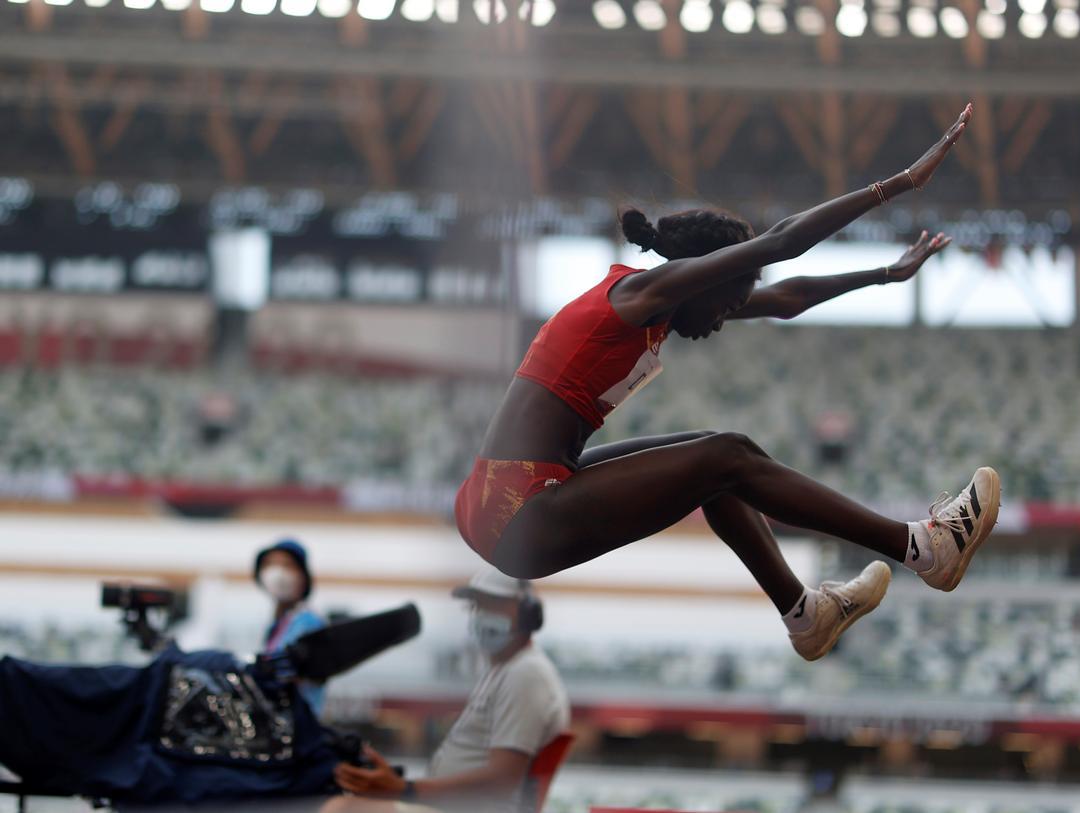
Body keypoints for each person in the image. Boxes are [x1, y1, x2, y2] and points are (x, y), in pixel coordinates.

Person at [454, 103, 1001, 662]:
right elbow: (782, 242)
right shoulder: (639, 295)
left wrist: (886, 274)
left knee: (713, 466)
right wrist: (901, 183)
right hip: (517, 509)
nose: (722, 322)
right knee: (728, 455)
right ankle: (923, 548)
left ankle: (805, 615)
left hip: (525, 493)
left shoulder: (662, 307)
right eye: (727, 306)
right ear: (703, 277)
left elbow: (786, 300)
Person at [326, 568, 570, 813]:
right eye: (477, 606)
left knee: (341, 809)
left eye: (495, 604)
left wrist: (405, 789)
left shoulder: (525, 673)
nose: (482, 615)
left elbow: (503, 780)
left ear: (529, 613)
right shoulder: (506, 670)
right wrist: (400, 786)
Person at [256, 539, 328, 714]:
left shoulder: (308, 622)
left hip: (299, 727)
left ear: (303, 575)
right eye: (270, 564)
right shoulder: (281, 623)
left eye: (287, 565)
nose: (278, 572)